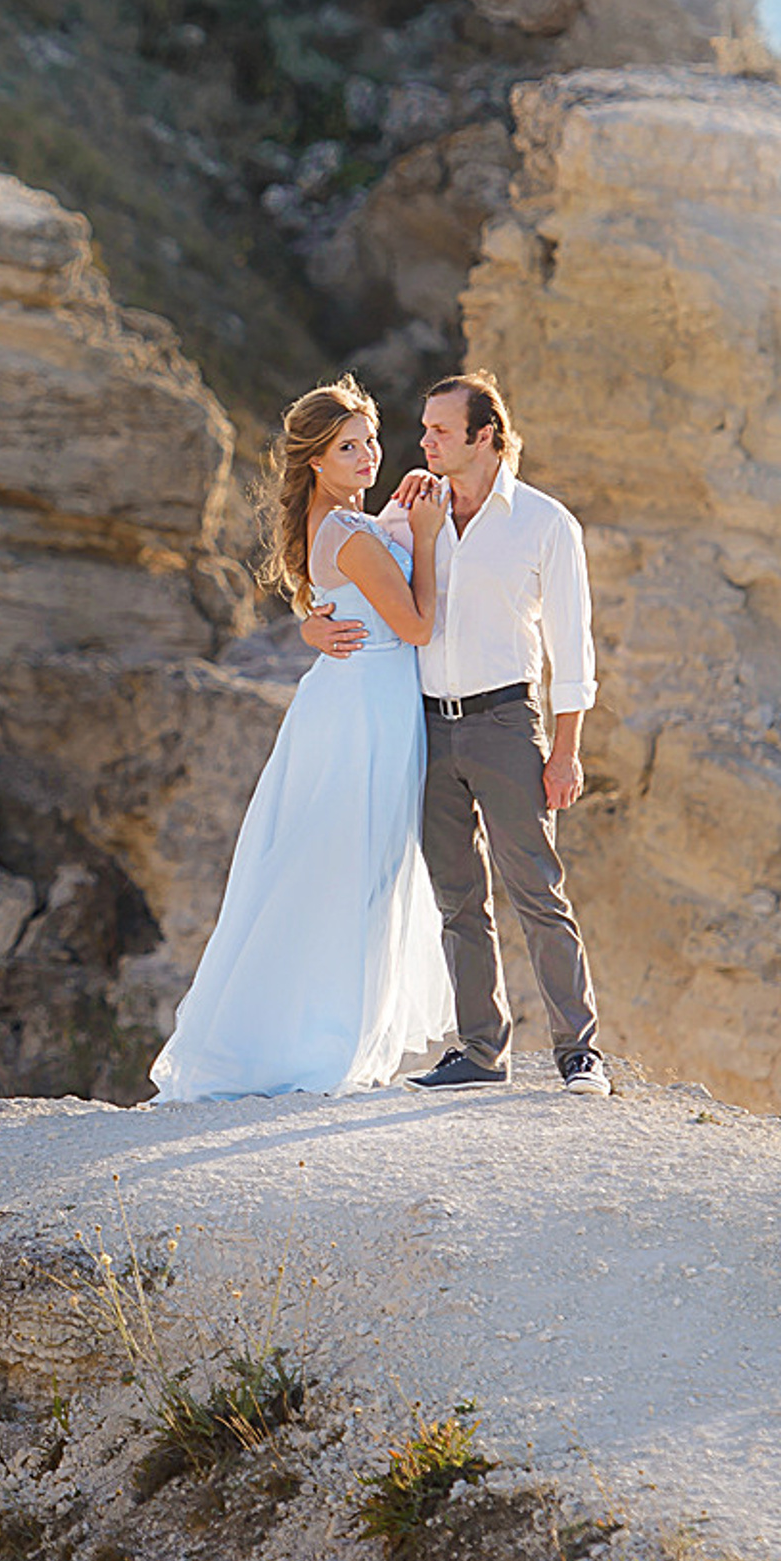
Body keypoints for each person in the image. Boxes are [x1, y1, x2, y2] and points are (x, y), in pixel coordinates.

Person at [300, 369, 611, 1095]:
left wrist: (565, 751)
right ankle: (480, 1052)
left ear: (486, 437)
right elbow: (339, 571)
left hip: (507, 722)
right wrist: (309, 625)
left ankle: (579, 1053)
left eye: (440, 430)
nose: (424, 441)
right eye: (426, 429)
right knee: (456, 898)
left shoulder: (545, 524)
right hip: (426, 727)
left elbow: (575, 650)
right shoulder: (409, 515)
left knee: (537, 889)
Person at [151, 378, 454, 1102]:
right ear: (316, 461)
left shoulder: (345, 521)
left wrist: (398, 521)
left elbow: (340, 580)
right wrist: (430, 541)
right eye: (348, 447)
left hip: (358, 700)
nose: (368, 455)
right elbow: (415, 626)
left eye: (371, 440)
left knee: (348, 869)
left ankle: (327, 1036)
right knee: (350, 871)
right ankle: (312, 1045)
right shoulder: (346, 532)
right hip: (368, 709)